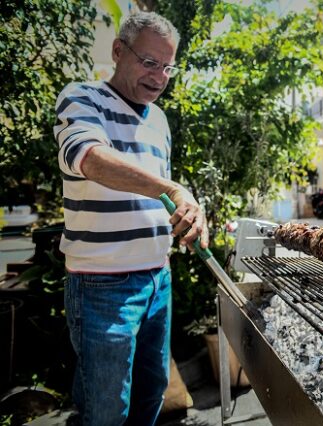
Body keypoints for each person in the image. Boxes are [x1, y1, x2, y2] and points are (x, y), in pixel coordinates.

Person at [53, 12, 208, 425]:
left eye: (167, 66)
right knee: (105, 412)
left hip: (159, 279)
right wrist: (173, 190)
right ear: (119, 51)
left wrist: (188, 214)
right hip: (103, 287)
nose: (159, 76)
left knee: (150, 396)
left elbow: (158, 190)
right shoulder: (82, 97)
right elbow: (90, 158)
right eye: (149, 62)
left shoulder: (158, 119)